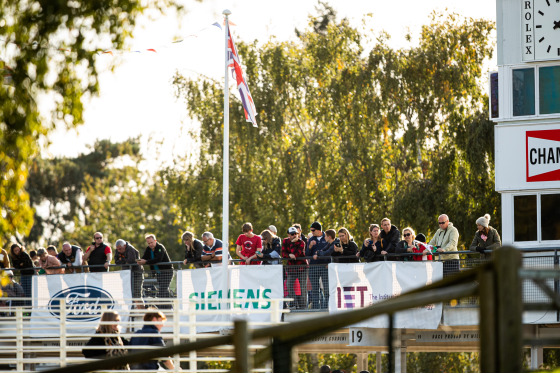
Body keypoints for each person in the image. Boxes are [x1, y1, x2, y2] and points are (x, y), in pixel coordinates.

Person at [137, 234, 173, 307]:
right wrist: (140, 261)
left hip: (167, 272)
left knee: (163, 289)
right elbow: (145, 257)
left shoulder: (160, 247)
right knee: (164, 290)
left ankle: (163, 307)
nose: (150, 244)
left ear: (155, 241)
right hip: (158, 273)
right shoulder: (148, 249)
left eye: (151, 242)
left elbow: (158, 259)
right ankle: (169, 307)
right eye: (149, 243)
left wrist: (146, 262)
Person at [282, 226, 308, 309]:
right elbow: (283, 253)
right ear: (288, 234)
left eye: (296, 234)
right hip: (291, 268)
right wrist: (288, 255)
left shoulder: (301, 242)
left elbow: (296, 254)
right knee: (289, 285)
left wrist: (293, 243)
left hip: (302, 268)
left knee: (303, 287)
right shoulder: (285, 241)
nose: (294, 235)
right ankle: (294, 304)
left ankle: (303, 307)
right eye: (292, 234)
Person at [306, 221, 330, 309]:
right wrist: (310, 247)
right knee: (315, 290)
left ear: (319, 230)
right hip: (313, 267)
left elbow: (330, 251)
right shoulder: (311, 239)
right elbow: (307, 254)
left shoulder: (327, 237)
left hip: (325, 266)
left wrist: (329, 263)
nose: (312, 232)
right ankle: (316, 309)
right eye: (311, 230)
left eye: (313, 230)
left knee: (326, 289)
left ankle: (326, 308)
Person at [115, 239, 144, 306]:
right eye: (117, 249)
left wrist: (122, 260)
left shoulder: (130, 249)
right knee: (127, 293)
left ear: (124, 246)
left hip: (136, 273)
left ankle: (142, 312)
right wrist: (125, 261)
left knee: (137, 294)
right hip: (126, 274)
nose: (119, 251)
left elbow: (131, 261)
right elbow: (116, 261)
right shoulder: (118, 249)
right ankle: (130, 311)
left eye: (120, 249)